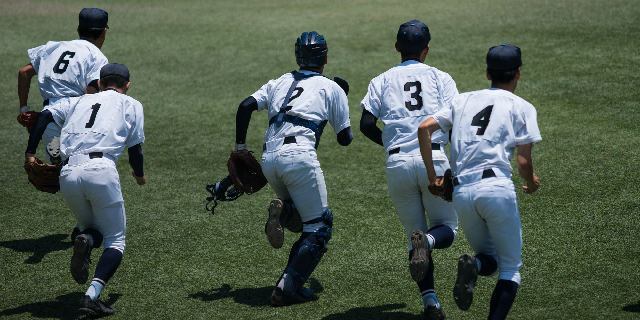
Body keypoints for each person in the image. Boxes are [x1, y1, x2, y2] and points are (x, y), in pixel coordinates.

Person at [417, 44, 541, 320]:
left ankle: (475, 263)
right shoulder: (523, 107)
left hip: (462, 193)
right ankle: (476, 268)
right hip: (496, 188)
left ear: (487, 73)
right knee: (510, 269)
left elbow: (424, 128)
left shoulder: (462, 100)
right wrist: (531, 182)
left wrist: (433, 176)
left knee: (490, 258)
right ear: (518, 72)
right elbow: (522, 162)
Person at [234, 31, 352, 306]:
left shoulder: (280, 81)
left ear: (298, 56)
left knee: (303, 218)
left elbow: (245, 106)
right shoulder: (330, 87)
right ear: (325, 56)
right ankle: (285, 289)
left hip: (269, 160)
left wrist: (240, 148)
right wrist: (340, 96)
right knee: (320, 227)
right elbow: (345, 139)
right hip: (298, 156)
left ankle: (284, 212)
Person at [24, 63, 146, 317]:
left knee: (92, 229)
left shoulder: (78, 100)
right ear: (127, 86)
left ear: (99, 83)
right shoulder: (131, 104)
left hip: (67, 175)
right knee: (116, 241)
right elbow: (135, 149)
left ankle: (87, 240)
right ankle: (91, 297)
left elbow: (45, 116)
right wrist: (139, 174)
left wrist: (30, 153)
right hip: (100, 170)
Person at [359, 20, 458, 319]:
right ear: (427, 49)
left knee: (412, 233)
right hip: (435, 161)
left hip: (397, 164)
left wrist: (391, 145)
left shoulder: (381, 80)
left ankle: (431, 303)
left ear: (397, 47)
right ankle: (427, 242)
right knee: (447, 230)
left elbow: (366, 125)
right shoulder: (442, 78)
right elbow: (456, 124)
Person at [18, 7, 110, 239]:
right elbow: (90, 95)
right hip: (77, 116)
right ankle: (89, 230)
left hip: (48, 120)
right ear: (104, 33)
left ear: (78, 29)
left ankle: (85, 226)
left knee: (64, 174)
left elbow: (24, 72)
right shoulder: (98, 58)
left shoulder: (53, 47)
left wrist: (24, 109)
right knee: (86, 171)